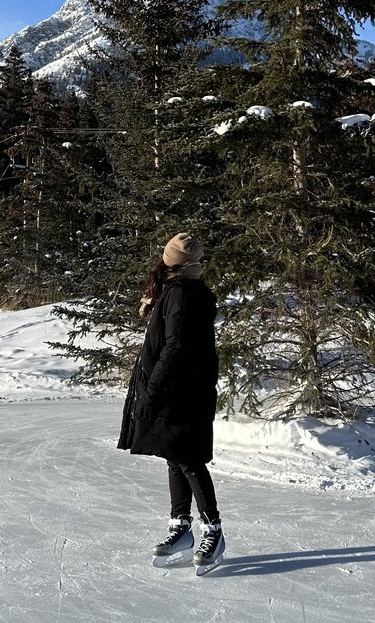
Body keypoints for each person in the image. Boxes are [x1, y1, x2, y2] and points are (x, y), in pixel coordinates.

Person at [117, 232, 224, 568]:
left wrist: (154, 390)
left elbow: (176, 346)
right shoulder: (184, 291)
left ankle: (214, 531)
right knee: (175, 456)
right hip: (182, 388)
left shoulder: (183, 294)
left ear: (171, 262)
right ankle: (181, 527)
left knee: (189, 459)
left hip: (181, 390)